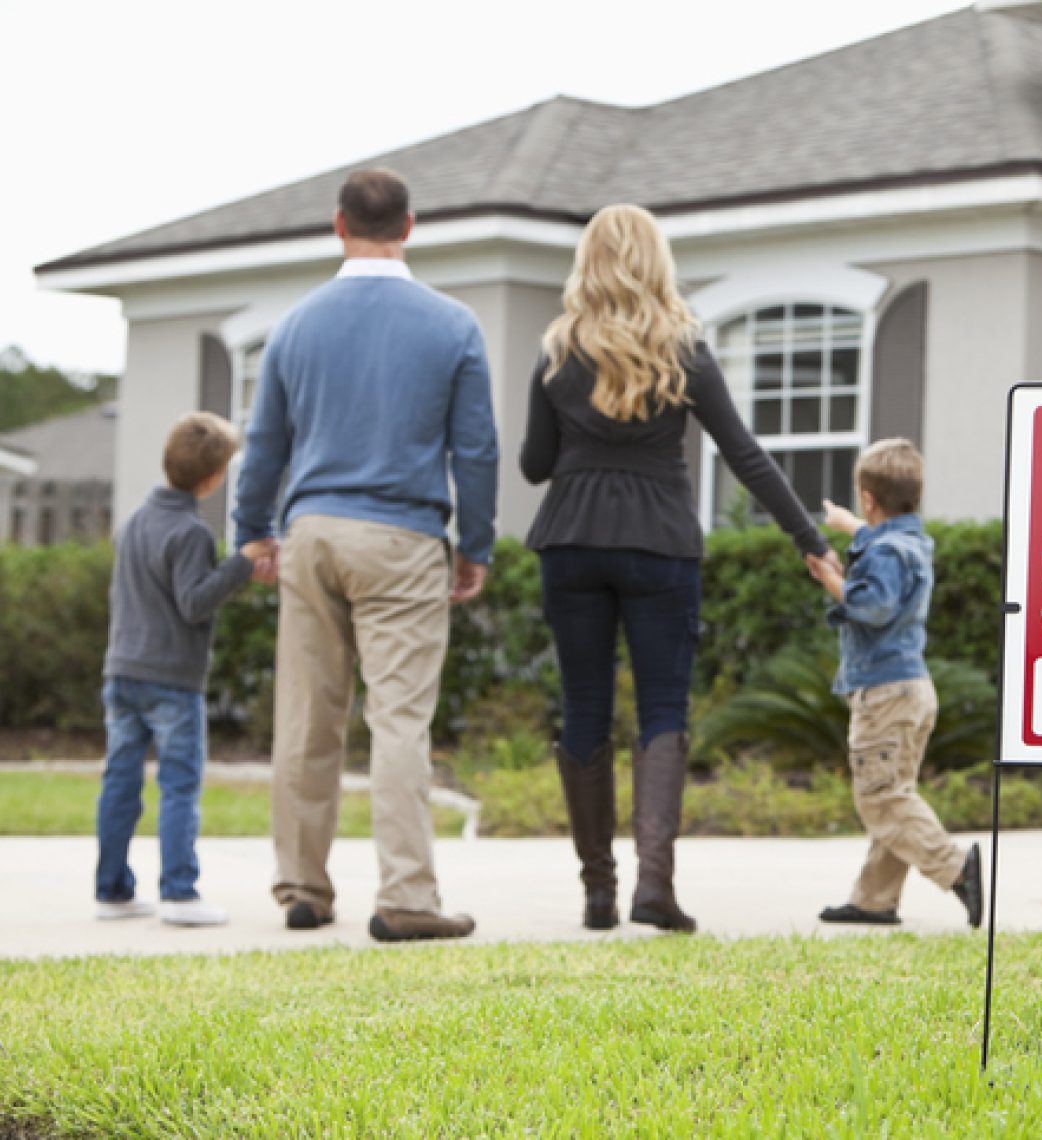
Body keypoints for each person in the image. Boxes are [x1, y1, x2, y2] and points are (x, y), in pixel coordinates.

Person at [520, 203, 835, 935]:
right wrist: (810, 541)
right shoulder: (683, 350)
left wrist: (581, 444)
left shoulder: (557, 352)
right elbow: (744, 454)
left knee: (584, 708)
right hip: (660, 542)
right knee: (664, 709)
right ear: (657, 262)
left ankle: (598, 892)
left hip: (570, 539)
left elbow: (535, 466)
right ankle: (652, 887)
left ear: (587, 263)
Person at [234, 168, 499, 943]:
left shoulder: (295, 325)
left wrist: (252, 529)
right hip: (403, 537)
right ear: (409, 226)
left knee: (308, 720)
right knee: (399, 722)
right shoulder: (452, 325)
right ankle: (407, 895)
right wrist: (473, 544)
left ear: (337, 224)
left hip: (312, 532)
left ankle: (304, 891)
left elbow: (262, 447)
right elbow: (476, 449)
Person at [97, 411, 275, 926]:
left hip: (121, 671)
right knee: (178, 784)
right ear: (214, 477)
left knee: (120, 783)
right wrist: (241, 563)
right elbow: (194, 603)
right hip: (170, 679)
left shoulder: (133, 522)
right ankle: (179, 891)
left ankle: (112, 890)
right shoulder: (189, 533)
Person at [804, 438, 983, 928]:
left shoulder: (885, 551)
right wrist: (854, 529)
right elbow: (883, 554)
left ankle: (956, 869)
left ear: (868, 496)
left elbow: (872, 607)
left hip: (885, 691)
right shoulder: (912, 542)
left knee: (881, 797)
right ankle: (874, 899)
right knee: (895, 789)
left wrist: (830, 578)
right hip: (910, 689)